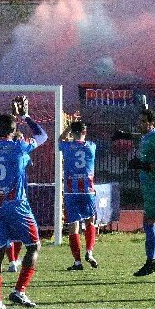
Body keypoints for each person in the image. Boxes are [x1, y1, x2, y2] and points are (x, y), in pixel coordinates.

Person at [0, 96, 48, 309]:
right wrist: (25, 116)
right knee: (34, 246)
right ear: (13, 131)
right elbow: (43, 135)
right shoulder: (19, 147)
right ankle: (19, 291)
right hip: (16, 204)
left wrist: (10, 121)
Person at [114, 105, 155, 277]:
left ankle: (150, 262)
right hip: (151, 186)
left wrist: (144, 165)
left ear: (151, 123)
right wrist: (126, 135)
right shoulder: (147, 135)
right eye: (138, 121)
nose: (139, 124)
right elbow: (142, 137)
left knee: (149, 223)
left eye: (143, 122)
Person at [58, 114, 99, 271]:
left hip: (71, 191)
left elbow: (60, 139)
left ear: (72, 132)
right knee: (90, 221)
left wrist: (68, 127)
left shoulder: (67, 146)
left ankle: (77, 262)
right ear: (85, 132)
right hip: (87, 190)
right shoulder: (91, 146)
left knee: (73, 226)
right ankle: (89, 251)